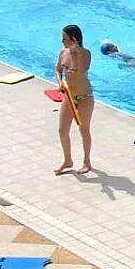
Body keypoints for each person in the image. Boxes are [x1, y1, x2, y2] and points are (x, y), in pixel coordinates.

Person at [54, 24, 94, 175]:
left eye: (64, 38)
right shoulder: (63, 53)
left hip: (85, 98)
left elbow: (80, 73)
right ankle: (68, 160)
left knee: (84, 130)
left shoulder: (86, 54)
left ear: (73, 40)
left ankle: (87, 162)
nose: (62, 41)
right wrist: (59, 83)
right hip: (69, 97)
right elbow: (58, 69)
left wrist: (77, 54)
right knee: (62, 130)